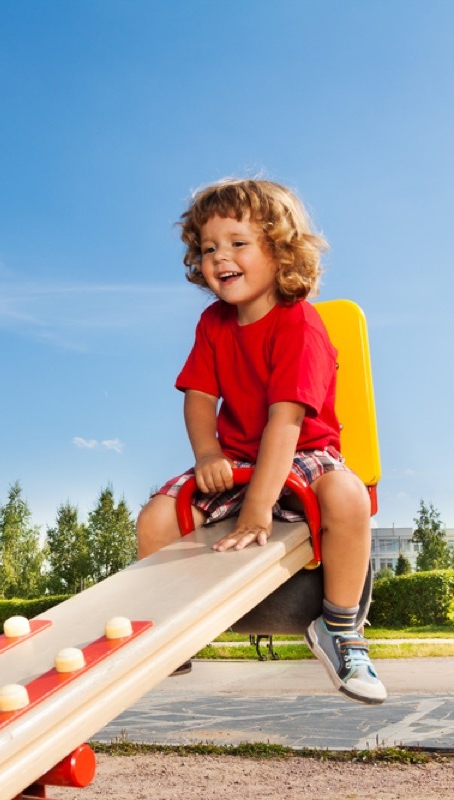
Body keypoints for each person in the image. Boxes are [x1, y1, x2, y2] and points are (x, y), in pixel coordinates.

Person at [136, 178, 385, 705]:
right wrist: (208, 454)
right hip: (239, 458)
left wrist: (257, 512)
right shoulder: (213, 323)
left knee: (348, 496)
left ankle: (341, 629)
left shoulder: (301, 325)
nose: (219, 257)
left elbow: (286, 422)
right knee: (156, 518)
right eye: (208, 248)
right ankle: (173, 637)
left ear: (280, 251)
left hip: (303, 452)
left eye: (237, 243)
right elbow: (200, 398)